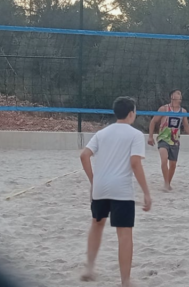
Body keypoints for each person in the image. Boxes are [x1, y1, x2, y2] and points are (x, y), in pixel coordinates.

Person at [79, 96, 152, 287]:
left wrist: (93, 181)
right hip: (121, 188)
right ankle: (125, 281)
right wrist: (146, 192)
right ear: (131, 113)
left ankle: (89, 268)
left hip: (101, 187)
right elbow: (135, 164)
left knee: (97, 224)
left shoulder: (102, 133)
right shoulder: (135, 135)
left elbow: (84, 155)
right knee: (125, 234)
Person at [147, 90, 189, 192]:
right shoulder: (164, 109)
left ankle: (168, 183)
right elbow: (153, 121)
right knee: (164, 159)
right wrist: (150, 137)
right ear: (172, 96)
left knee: (173, 165)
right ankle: (166, 184)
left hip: (175, 140)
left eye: (181, 93)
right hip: (163, 138)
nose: (180, 95)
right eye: (178, 93)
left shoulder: (183, 111)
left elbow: (186, 126)